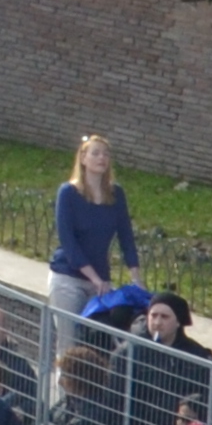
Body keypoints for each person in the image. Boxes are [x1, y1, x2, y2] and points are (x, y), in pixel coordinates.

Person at [53, 134, 141, 332]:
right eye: (96, 153)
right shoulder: (68, 193)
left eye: (106, 154)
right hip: (68, 277)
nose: (102, 158)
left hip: (101, 280)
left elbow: (126, 235)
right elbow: (68, 242)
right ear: (83, 158)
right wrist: (94, 278)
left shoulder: (116, 194)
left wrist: (136, 278)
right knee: (69, 342)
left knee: (96, 343)